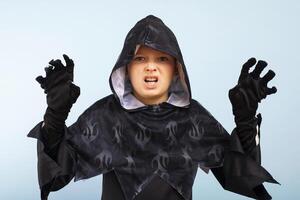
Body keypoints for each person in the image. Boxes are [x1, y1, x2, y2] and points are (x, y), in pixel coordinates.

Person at [28, 15, 278, 200]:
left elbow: (240, 172)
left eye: (161, 58)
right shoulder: (105, 116)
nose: (151, 67)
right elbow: (57, 173)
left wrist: (245, 121)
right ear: (126, 67)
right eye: (140, 58)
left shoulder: (193, 119)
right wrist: (55, 116)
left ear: (175, 68)